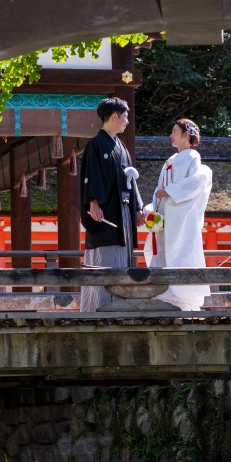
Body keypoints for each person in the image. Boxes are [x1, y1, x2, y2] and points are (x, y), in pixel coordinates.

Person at [78, 97, 145, 312]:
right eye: (125, 117)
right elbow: (91, 176)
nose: (127, 122)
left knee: (123, 261)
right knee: (104, 261)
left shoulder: (121, 146)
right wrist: (93, 203)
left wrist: (137, 208)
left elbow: (130, 179)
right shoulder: (95, 144)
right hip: (105, 214)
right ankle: (97, 310)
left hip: (122, 213)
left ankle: (121, 309)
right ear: (114, 116)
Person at [144, 118, 213, 311]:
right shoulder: (171, 161)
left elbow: (196, 182)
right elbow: (159, 191)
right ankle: (161, 296)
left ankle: (183, 302)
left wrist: (171, 191)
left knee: (181, 254)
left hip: (181, 220)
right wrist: (152, 211)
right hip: (166, 217)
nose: (171, 135)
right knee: (163, 256)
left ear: (186, 135)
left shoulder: (192, 157)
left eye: (175, 131)